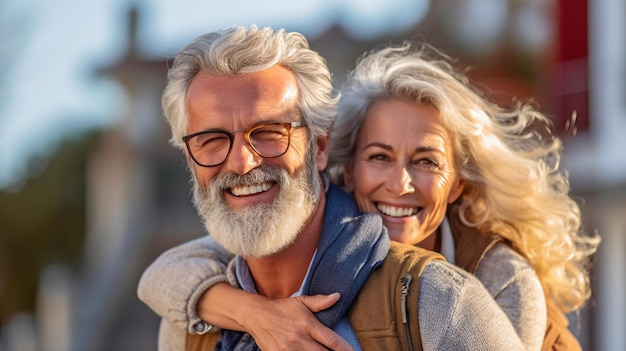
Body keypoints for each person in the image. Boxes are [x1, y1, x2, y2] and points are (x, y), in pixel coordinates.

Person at [139, 25, 530, 351]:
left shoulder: (442, 304)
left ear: (320, 147)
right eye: (212, 140)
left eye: (270, 132)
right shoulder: (190, 327)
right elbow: (160, 274)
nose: (241, 162)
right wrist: (249, 313)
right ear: (190, 158)